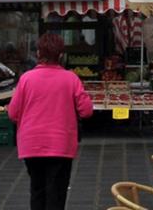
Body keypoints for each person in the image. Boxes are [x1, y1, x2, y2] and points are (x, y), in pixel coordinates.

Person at [7, 33, 94, 210]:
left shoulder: (26, 79)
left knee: (37, 189)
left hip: (31, 144)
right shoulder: (71, 79)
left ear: (38, 53)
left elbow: (12, 113)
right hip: (61, 145)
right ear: (61, 55)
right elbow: (86, 111)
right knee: (57, 193)